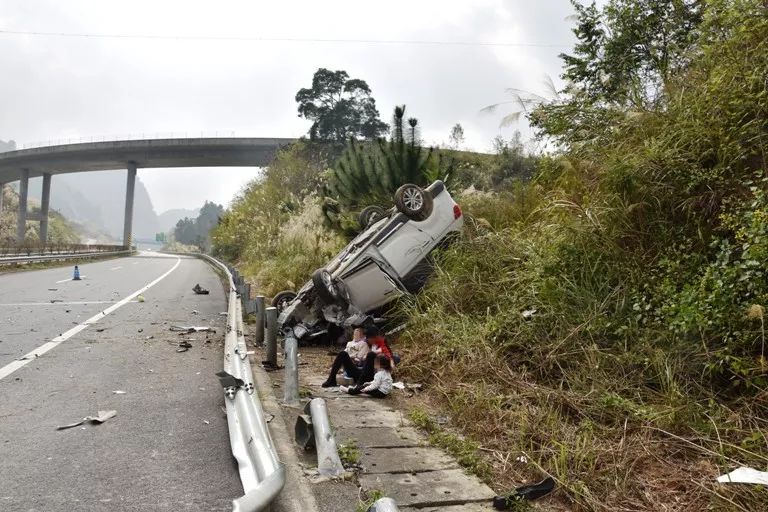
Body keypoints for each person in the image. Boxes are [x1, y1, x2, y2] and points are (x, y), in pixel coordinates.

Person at [321, 325, 391, 388]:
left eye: (369, 338)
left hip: (370, 375)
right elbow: (356, 346)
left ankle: (359, 384)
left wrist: (376, 355)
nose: (367, 340)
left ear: (375, 337)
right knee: (343, 353)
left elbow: (389, 358)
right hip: (359, 371)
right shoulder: (366, 342)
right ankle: (331, 380)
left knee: (371, 355)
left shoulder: (382, 344)